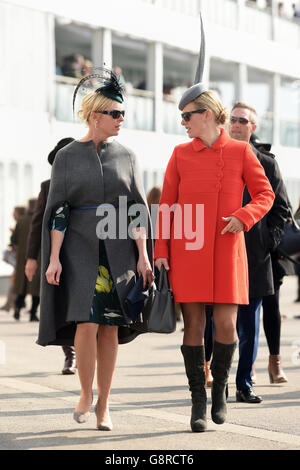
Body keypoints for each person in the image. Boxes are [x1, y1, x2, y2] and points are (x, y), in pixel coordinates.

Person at [37, 67, 153, 431]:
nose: (121, 120)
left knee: (110, 329)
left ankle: (105, 403)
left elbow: (136, 209)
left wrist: (144, 255)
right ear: (93, 116)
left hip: (119, 251)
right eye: (114, 114)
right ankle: (85, 394)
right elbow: (58, 209)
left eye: (123, 114)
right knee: (86, 323)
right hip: (78, 250)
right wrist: (54, 258)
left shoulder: (128, 156)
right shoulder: (68, 156)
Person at [154, 86, 275, 432]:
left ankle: (220, 388)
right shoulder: (179, 154)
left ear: (207, 114)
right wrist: (161, 252)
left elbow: (265, 194)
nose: (183, 123)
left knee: (225, 324)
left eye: (187, 116)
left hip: (227, 251)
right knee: (193, 325)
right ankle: (197, 402)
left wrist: (244, 216)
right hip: (187, 251)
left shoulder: (240, 152)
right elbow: (166, 208)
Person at [228, 104, 289, 401]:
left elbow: (282, 210)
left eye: (243, 120)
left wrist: (266, 240)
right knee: (216, 321)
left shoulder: (267, 163)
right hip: (219, 253)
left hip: (255, 256)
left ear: (253, 127)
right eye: (232, 119)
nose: (236, 124)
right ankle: (210, 373)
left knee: (249, 323)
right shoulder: (215, 156)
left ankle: (244, 382)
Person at [25, 137, 77, 375]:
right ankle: (71, 355)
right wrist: (32, 258)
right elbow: (38, 224)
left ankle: (85, 351)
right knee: (62, 304)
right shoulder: (48, 186)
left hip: (85, 254)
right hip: (58, 256)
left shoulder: (91, 183)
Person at [11, 199, 40, 321]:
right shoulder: (40, 219)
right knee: (36, 288)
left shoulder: (21, 220)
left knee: (21, 286)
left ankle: (17, 310)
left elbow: (14, 239)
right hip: (37, 256)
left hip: (22, 257)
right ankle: (33, 314)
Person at [1, 206, 26, 312]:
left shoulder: (21, 222)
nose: (12, 214)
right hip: (22, 259)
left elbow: (15, 240)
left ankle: (13, 304)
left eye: (14, 212)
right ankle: (13, 304)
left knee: (16, 282)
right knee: (17, 281)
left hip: (21, 259)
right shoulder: (24, 221)